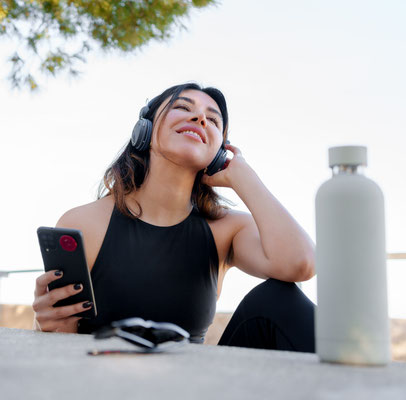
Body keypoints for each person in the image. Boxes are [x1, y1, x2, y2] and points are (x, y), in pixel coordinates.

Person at [33, 83, 316, 352]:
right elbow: (60, 338)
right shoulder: (85, 223)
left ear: (220, 151)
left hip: (192, 386)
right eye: (183, 107)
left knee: (279, 299)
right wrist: (48, 324)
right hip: (105, 383)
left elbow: (300, 264)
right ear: (144, 128)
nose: (199, 118)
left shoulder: (227, 229)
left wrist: (247, 179)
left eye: (213, 120)